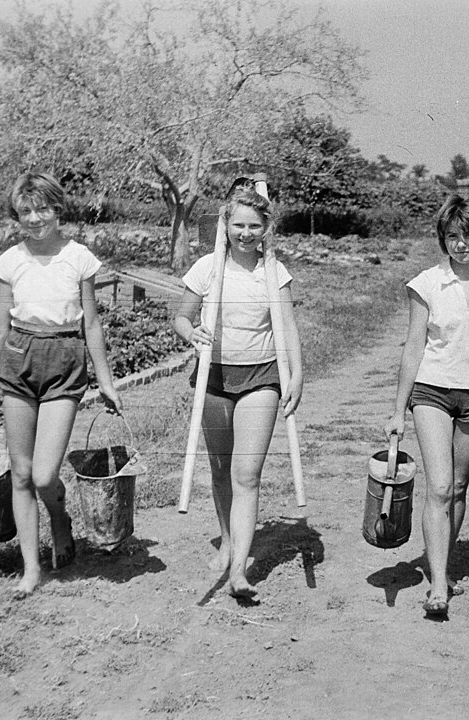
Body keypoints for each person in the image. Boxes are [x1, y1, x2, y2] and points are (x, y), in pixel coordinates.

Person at [0, 171, 122, 598]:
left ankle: (59, 517)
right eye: (25, 211)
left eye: (44, 209)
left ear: (58, 209)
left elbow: (91, 322)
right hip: (18, 360)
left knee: (44, 473)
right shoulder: (11, 261)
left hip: (64, 360)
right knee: (21, 473)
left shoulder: (78, 258)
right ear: (16, 215)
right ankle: (31, 568)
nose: (35, 219)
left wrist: (105, 381)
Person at [384, 195, 469, 618]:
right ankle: (438, 585)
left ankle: (440, 562)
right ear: (443, 240)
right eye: (452, 236)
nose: (461, 245)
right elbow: (413, 347)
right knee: (439, 486)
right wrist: (397, 409)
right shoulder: (426, 284)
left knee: (459, 488)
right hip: (432, 392)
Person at [173, 177, 303, 602]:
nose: (246, 234)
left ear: (266, 228)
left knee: (246, 474)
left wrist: (296, 375)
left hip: (261, 376)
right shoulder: (208, 268)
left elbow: (286, 327)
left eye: (254, 226)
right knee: (220, 469)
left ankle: (240, 569)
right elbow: (181, 317)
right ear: (225, 225)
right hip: (213, 377)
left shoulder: (273, 272)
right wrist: (191, 333)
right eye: (238, 226)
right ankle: (227, 540)